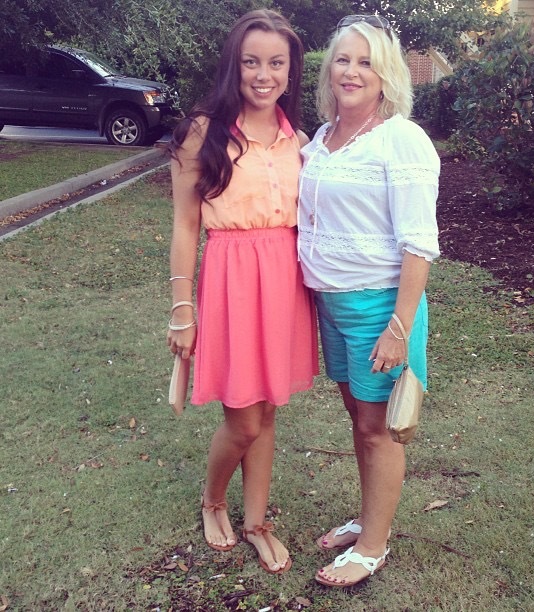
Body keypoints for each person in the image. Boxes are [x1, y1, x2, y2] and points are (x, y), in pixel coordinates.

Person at [166, 9, 318, 575]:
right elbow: (185, 228)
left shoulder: (298, 140)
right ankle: (213, 500)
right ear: (235, 65)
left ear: (290, 70)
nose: (263, 74)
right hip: (231, 280)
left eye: (276, 63)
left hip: (284, 281)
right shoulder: (202, 134)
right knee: (244, 421)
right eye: (251, 61)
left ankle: (256, 523)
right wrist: (182, 308)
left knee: (268, 410)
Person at [297, 15, 440, 587]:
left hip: (379, 307)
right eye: (343, 59)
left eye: (366, 62)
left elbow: (418, 243)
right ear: (328, 69)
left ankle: (373, 546)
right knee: (360, 421)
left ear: (386, 75)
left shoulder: (399, 138)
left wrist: (399, 328)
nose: (352, 72)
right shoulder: (322, 138)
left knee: (378, 429)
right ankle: (369, 518)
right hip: (331, 304)